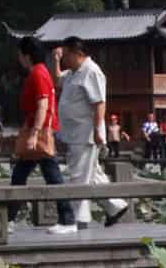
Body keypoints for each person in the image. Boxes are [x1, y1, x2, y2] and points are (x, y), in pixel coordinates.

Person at [54, 39, 131, 230]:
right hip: (75, 134)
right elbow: (57, 80)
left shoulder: (91, 71)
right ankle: (115, 206)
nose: (64, 59)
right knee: (92, 174)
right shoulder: (73, 73)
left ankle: (77, 220)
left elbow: (99, 103)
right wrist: (56, 59)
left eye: (66, 55)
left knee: (78, 175)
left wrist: (98, 130)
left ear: (77, 53)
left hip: (85, 134)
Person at [10, 38, 74, 234]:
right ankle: (10, 218)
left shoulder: (38, 74)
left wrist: (34, 134)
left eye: (20, 53)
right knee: (21, 176)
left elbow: (43, 105)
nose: (19, 57)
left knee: (51, 176)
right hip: (38, 130)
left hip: (40, 132)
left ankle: (68, 220)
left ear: (26, 55)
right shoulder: (40, 72)